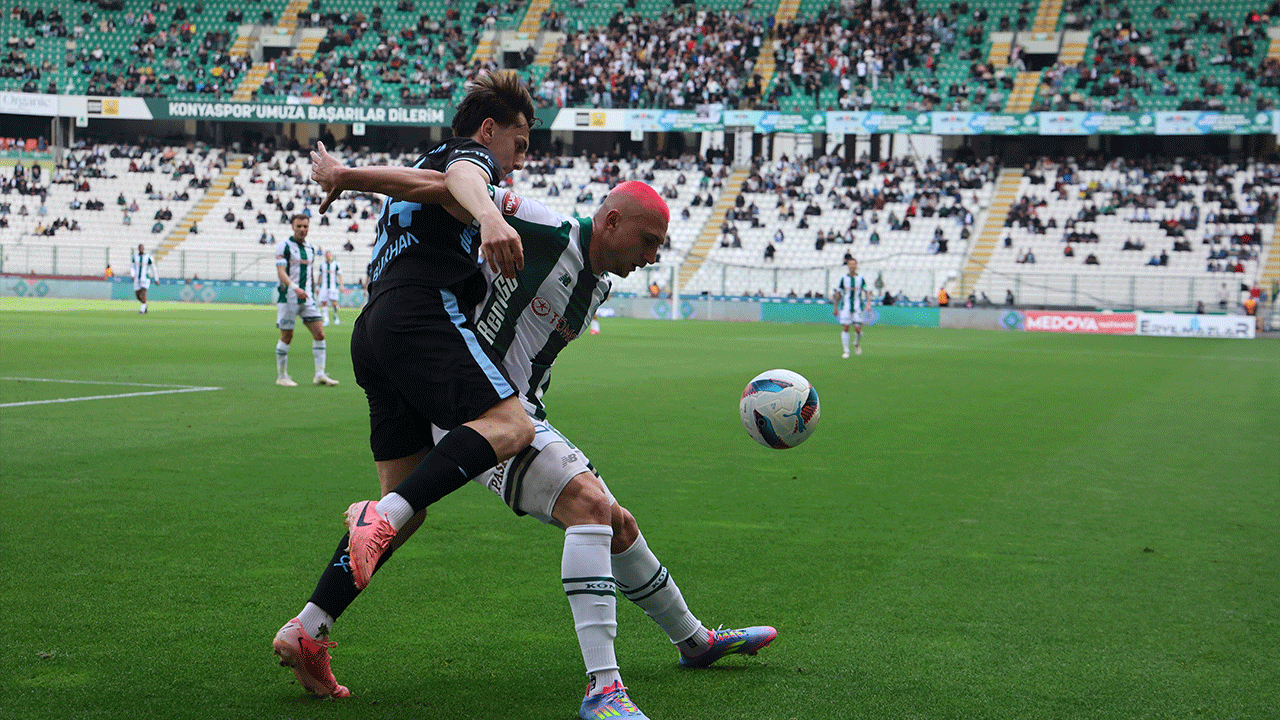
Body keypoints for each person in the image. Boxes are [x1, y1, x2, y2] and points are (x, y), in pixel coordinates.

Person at [294, 163, 773, 719]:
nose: (653, 256)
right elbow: (448, 186)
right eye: (648, 242)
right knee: (589, 508)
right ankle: (604, 690)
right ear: (612, 221)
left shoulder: (596, 287)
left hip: (518, 411)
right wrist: (350, 176)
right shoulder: (544, 228)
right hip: (475, 411)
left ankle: (693, 641)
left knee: (616, 523)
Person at [272, 72, 538, 699]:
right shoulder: (472, 163)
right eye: (520, 144)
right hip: (421, 313)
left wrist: (347, 176)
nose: (521, 161)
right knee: (511, 424)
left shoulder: (431, 167)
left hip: (374, 329)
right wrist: (491, 218)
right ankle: (377, 514)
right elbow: (469, 180)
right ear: (489, 129)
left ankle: (309, 627)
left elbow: (435, 182)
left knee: (406, 509)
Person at [274, 215, 339, 387]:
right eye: (299, 226)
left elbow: (309, 274)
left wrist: (311, 292)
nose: (302, 229)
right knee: (287, 336)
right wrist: (294, 287)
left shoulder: (310, 248)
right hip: (288, 298)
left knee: (320, 334)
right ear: (292, 227)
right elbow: (281, 271)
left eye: (305, 226)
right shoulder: (284, 246)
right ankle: (282, 376)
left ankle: (320, 374)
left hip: (307, 298)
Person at [832, 256, 869, 358]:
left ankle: (856, 344)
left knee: (857, 329)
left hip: (857, 307)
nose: (852, 266)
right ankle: (846, 350)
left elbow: (866, 291)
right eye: (850, 264)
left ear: (856, 266)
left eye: (854, 264)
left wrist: (868, 303)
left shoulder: (861, 279)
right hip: (846, 306)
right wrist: (835, 307)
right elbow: (839, 293)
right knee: (845, 327)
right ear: (848, 266)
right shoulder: (844, 279)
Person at [314, 250, 344, 326]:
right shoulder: (322, 265)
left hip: (333, 286)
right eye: (327, 255)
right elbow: (319, 276)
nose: (328, 256)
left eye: (329, 255)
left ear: (331, 255)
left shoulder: (336, 264)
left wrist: (341, 285)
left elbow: (340, 276)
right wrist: (317, 287)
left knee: (334, 303)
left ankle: (335, 316)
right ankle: (326, 320)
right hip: (324, 286)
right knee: (324, 302)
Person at [130, 244, 158, 313]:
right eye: (140, 248)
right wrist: (132, 275)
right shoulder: (135, 257)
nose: (141, 249)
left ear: (144, 249)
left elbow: (153, 268)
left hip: (145, 279)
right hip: (137, 279)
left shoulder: (148, 257)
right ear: (138, 249)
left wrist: (156, 279)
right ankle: (145, 304)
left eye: (142, 248)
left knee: (143, 294)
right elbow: (132, 267)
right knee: (138, 295)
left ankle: (142, 310)